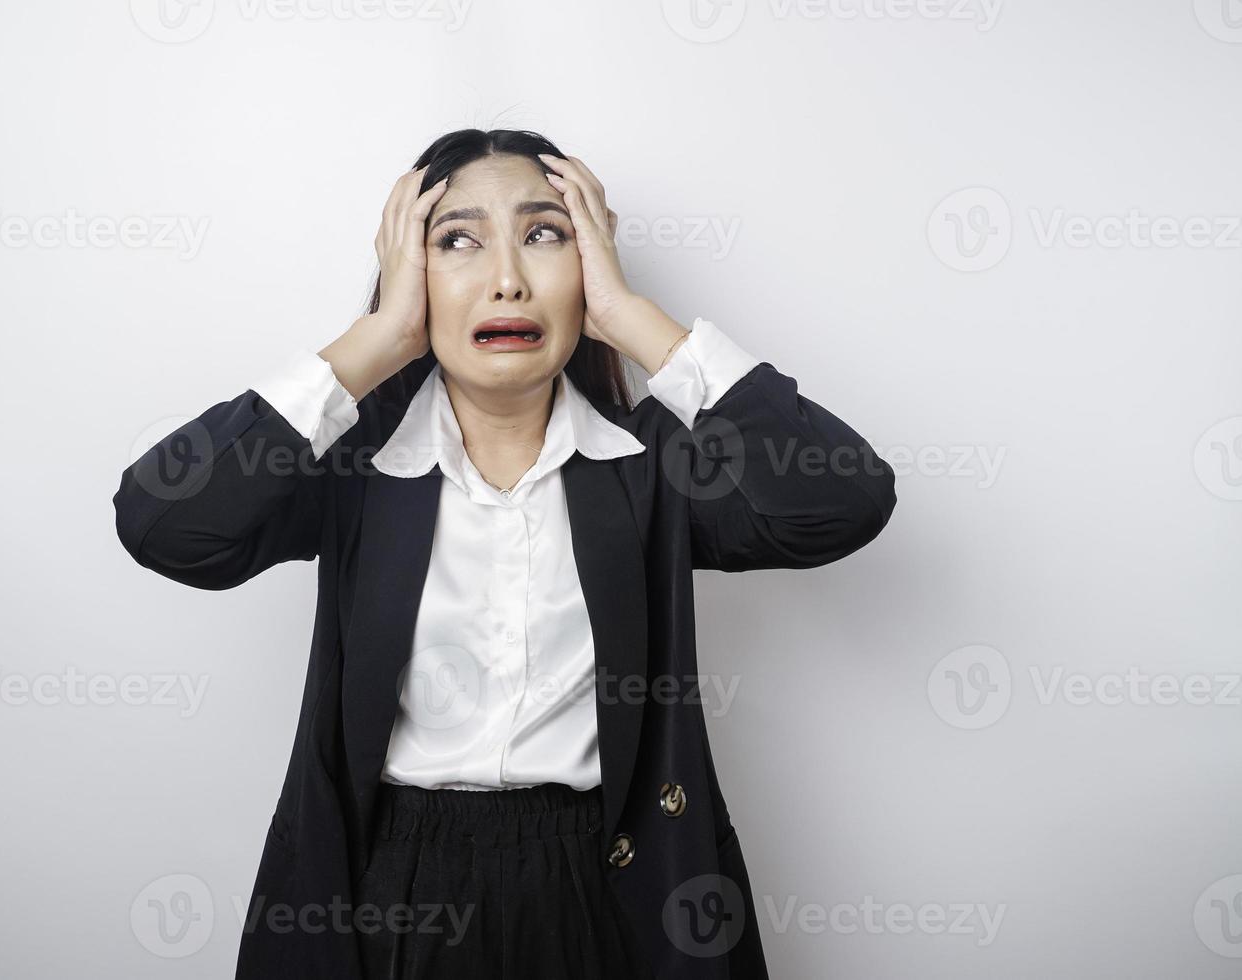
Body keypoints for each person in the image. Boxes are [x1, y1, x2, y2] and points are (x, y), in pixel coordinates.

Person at [113, 128, 898, 980]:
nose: (507, 279)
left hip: (606, 883)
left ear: (588, 266)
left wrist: (634, 320)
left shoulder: (654, 471)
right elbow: (164, 525)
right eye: (457, 240)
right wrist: (374, 341)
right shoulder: (354, 467)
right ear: (411, 274)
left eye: (544, 234)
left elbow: (844, 501)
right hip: (389, 890)